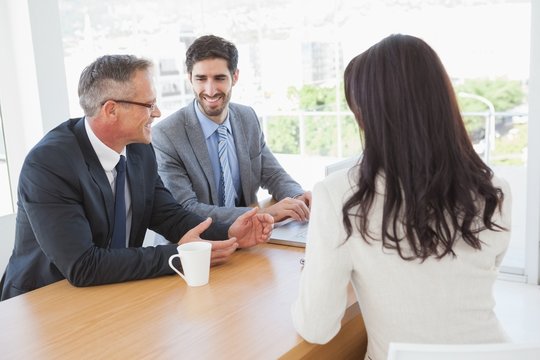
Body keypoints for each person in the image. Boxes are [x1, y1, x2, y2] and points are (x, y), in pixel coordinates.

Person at [292, 34, 511, 360]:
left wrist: (322, 271)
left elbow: (317, 328)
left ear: (369, 115)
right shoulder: (493, 189)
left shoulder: (339, 195)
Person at [0, 55, 273, 301]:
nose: (157, 113)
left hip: (111, 291)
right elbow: (83, 265)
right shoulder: (49, 164)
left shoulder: (140, 149)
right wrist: (179, 255)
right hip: (42, 303)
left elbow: (169, 216)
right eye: (149, 105)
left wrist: (228, 231)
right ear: (111, 110)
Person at [152, 35, 311, 226]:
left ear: (235, 76)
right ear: (189, 79)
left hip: (245, 239)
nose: (210, 90)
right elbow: (187, 208)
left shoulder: (247, 118)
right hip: (196, 246)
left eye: (219, 78)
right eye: (201, 79)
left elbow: (272, 174)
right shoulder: (167, 135)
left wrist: (298, 196)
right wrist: (262, 214)